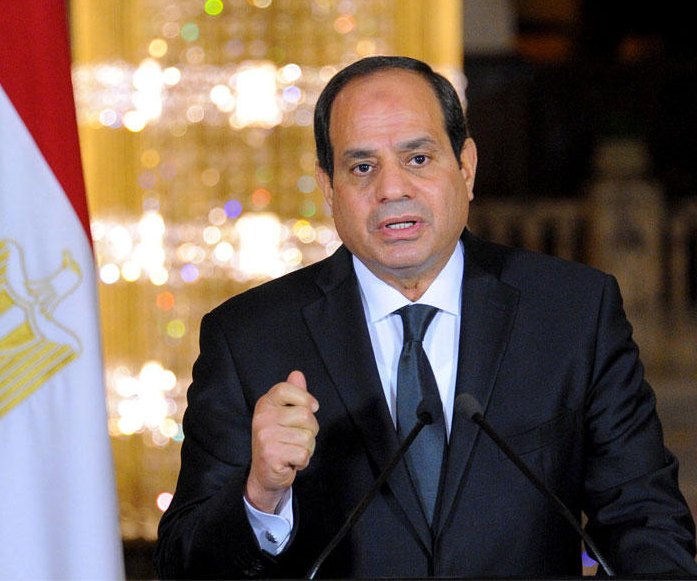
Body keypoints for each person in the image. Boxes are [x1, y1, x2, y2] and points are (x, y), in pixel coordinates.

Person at [155, 55, 697, 577]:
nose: (392, 189)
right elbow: (183, 564)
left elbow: (647, 525)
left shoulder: (572, 313)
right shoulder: (248, 338)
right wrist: (260, 494)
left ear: (466, 167)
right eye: (362, 167)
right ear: (328, 188)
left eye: (418, 159)